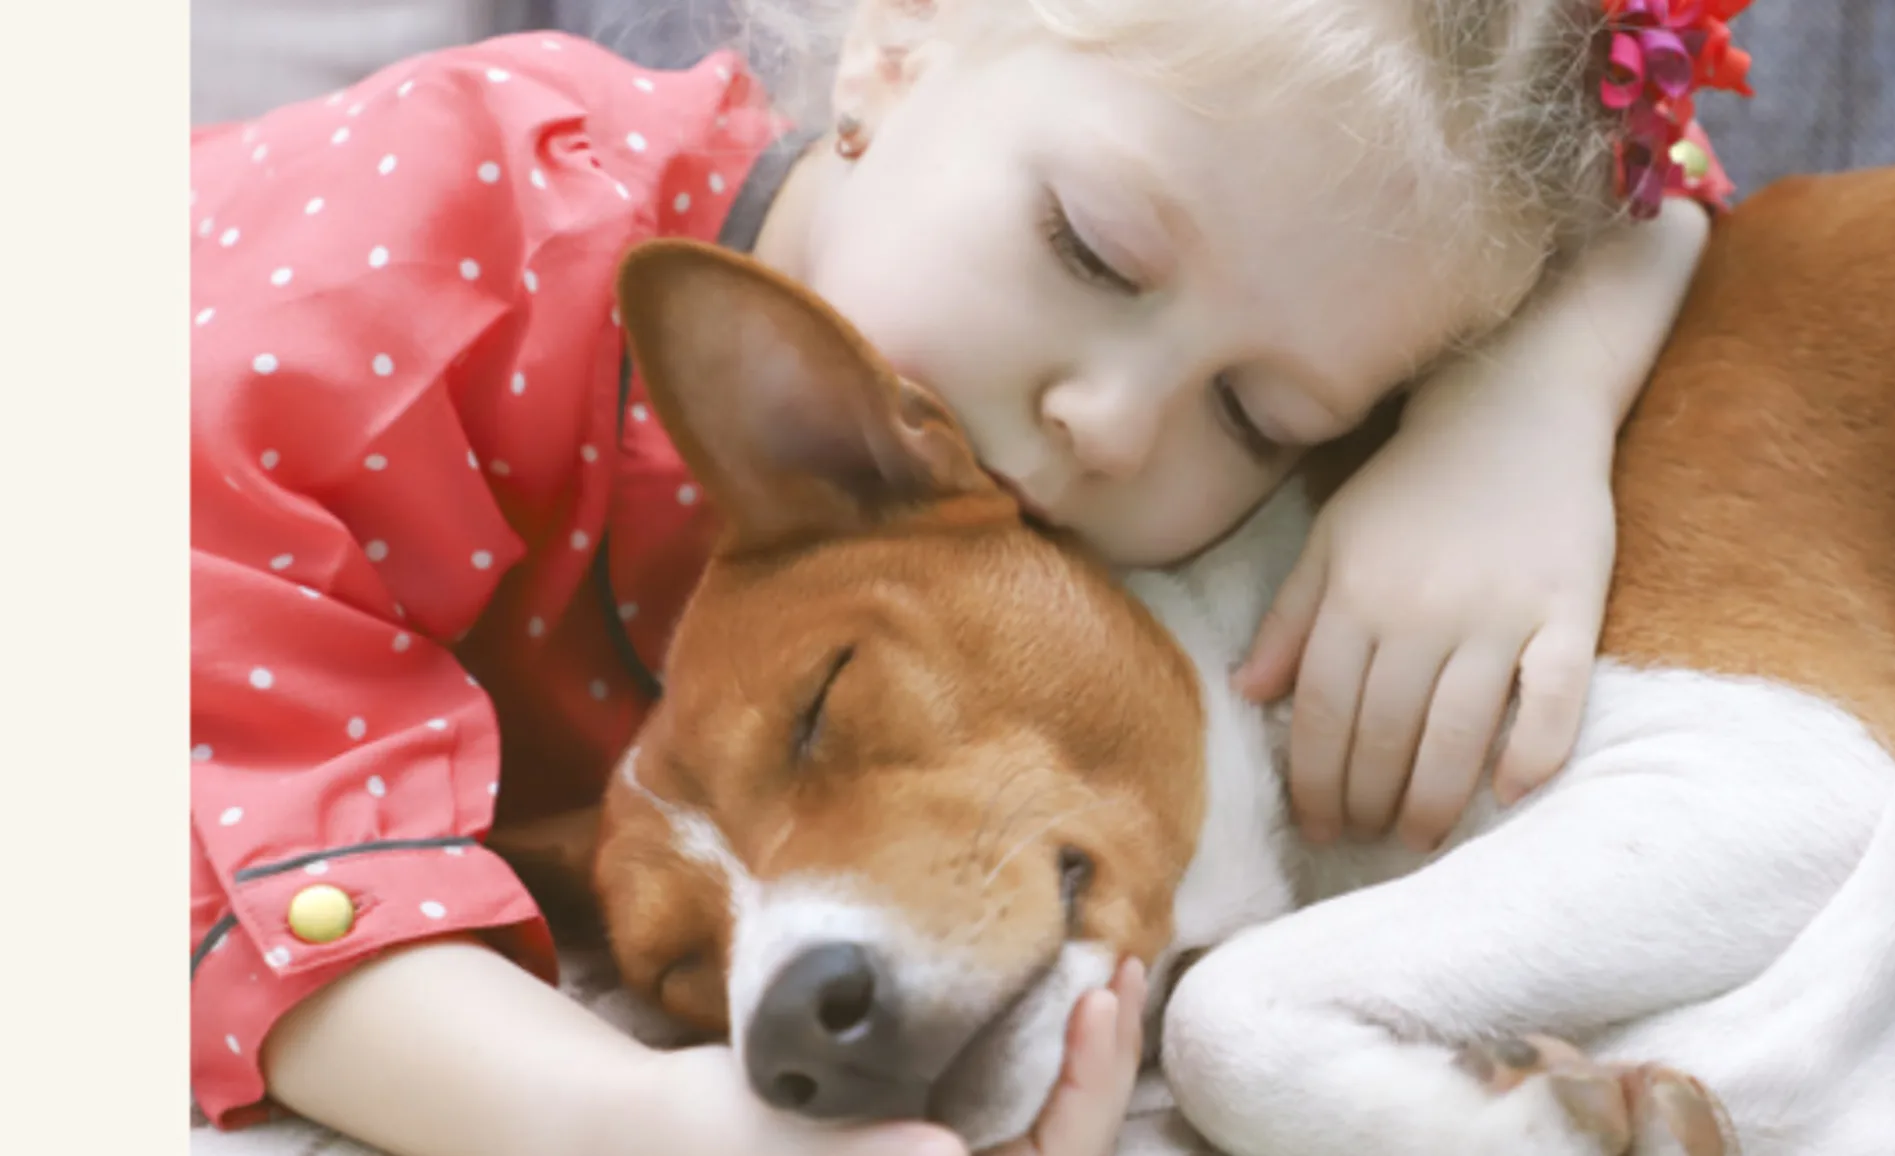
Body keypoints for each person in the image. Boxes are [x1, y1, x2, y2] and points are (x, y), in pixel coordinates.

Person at [188, 0, 1756, 1152]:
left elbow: (1599, 173)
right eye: (1090, 248)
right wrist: (606, 1117)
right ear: (900, 41)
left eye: (1255, 414)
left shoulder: (1057, 460)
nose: (1114, 423)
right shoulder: (458, 221)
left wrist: (1529, 408)